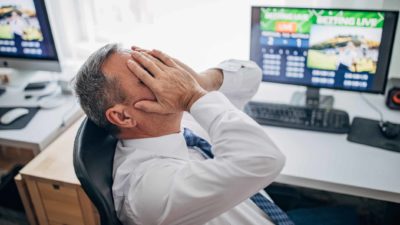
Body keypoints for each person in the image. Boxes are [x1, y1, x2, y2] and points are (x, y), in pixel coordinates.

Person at [74, 43, 288, 225]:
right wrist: (192, 95)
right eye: (145, 76)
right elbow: (265, 159)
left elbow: (251, 73)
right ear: (123, 117)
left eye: (152, 64)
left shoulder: (180, 114)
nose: (165, 75)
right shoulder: (148, 191)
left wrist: (200, 82)